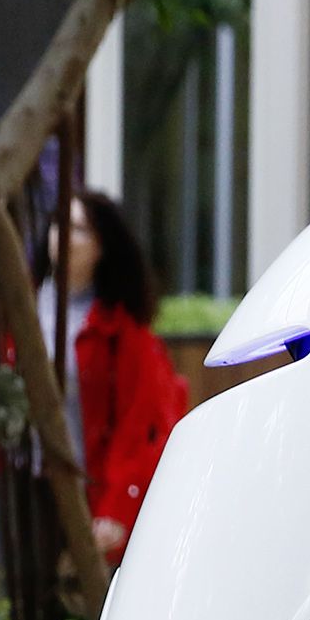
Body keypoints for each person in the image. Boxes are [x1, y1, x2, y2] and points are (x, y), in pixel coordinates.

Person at [63, 191, 187, 558]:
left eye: (79, 228)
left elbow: (145, 425)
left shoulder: (122, 331)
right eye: (59, 225)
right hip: (26, 491)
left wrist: (117, 506)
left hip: (90, 495)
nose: (64, 237)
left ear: (104, 247)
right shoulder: (23, 315)